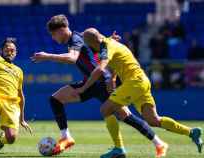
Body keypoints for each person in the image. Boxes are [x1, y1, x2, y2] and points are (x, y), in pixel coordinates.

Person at [31, 14, 167, 157]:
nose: (53, 38)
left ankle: (158, 143)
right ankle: (66, 137)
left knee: (126, 116)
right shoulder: (79, 37)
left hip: (101, 82)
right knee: (55, 99)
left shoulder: (75, 40)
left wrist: (47, 56)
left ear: (61, 30)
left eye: (53, 35)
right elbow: (96, 40)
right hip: (91, 82)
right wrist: (109, 39)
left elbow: (72, 58)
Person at [75, 27, 203, 157]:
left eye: (88, 44)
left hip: (134, 82)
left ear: (92, 44)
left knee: (105, 109)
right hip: (142, 81)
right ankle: (191, 132)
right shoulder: (108, 42)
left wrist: (83, 88)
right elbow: (110, 51)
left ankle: (119, 149)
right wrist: (113, 78)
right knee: (153, 120)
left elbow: (100, 69)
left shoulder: (106, 47)